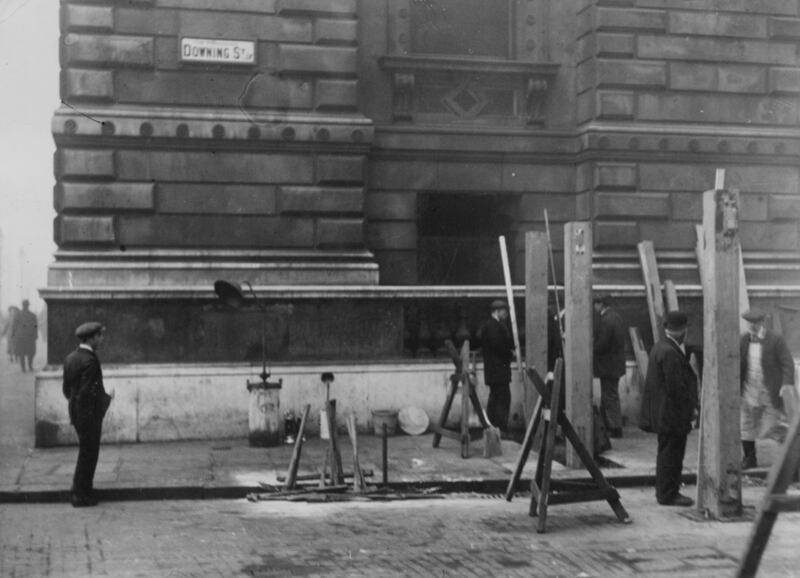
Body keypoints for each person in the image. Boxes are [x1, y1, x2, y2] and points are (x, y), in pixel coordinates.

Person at [640, 310, 698, 507]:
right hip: (672, 415)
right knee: (672, 455)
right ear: (683, 331)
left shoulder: (660, 347)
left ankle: (665, 492)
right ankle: (668, 494)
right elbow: (676, 388)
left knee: (666, 453)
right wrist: (691, 409)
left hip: (664, 413)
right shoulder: (671, 353)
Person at [62, 322, 112, 507]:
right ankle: (80, 495)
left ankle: (82, 491)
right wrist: (107, 399)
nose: (101, 339)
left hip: (76, 412)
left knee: (86, 453)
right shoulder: (90, 360)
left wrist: (76, 405)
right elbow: (89, 392)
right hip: (88, 414)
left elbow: (67, 390)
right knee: (89, 454)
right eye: (99, 336)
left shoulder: (70, 358)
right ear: (90, 338)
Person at [740, 309, 795, 470]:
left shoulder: (775, 339)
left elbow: (787, 363)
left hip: (770, 390)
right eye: (750, 323)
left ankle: (791, 452)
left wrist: (786, 384)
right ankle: (750, 459)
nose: (752, 326)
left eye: (755, 323)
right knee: (746, 425)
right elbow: (737, 363)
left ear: (762, 322)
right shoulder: (743, 340)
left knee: (769, 428)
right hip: (749, 389)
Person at [593, 293, 627, 438]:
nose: (594, 307)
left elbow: (603, 344)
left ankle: (614, 428)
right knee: (611, 395)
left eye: (595, 303)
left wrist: (591, 347)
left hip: (608, 365)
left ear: (601, 304)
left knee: (609, 397)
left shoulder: (607, 320)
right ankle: (609, 425)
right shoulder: (616, 317)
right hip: (615, 364)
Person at [480, 299, 515, 432]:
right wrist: (510, 353)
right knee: (502, 399)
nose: (506, 314)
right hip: (498, 371)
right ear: (497, 311)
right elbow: (498, 346)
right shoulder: (493, 326)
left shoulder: (492, 325)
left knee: (496, 399)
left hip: (496, 371)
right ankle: (499, 429)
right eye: (504, 311)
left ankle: (493, 429)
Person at [12, 300, 38, 372]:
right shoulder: (32, 315)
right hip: (29, 337)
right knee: (30, 353)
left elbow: (14, 326)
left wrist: (13, 335)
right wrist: (35, 335)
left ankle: (24, 367)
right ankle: (29, 366)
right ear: (28, 305)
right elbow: (35, 326)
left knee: (22, 353)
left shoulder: (17, 315)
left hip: (21, 337)